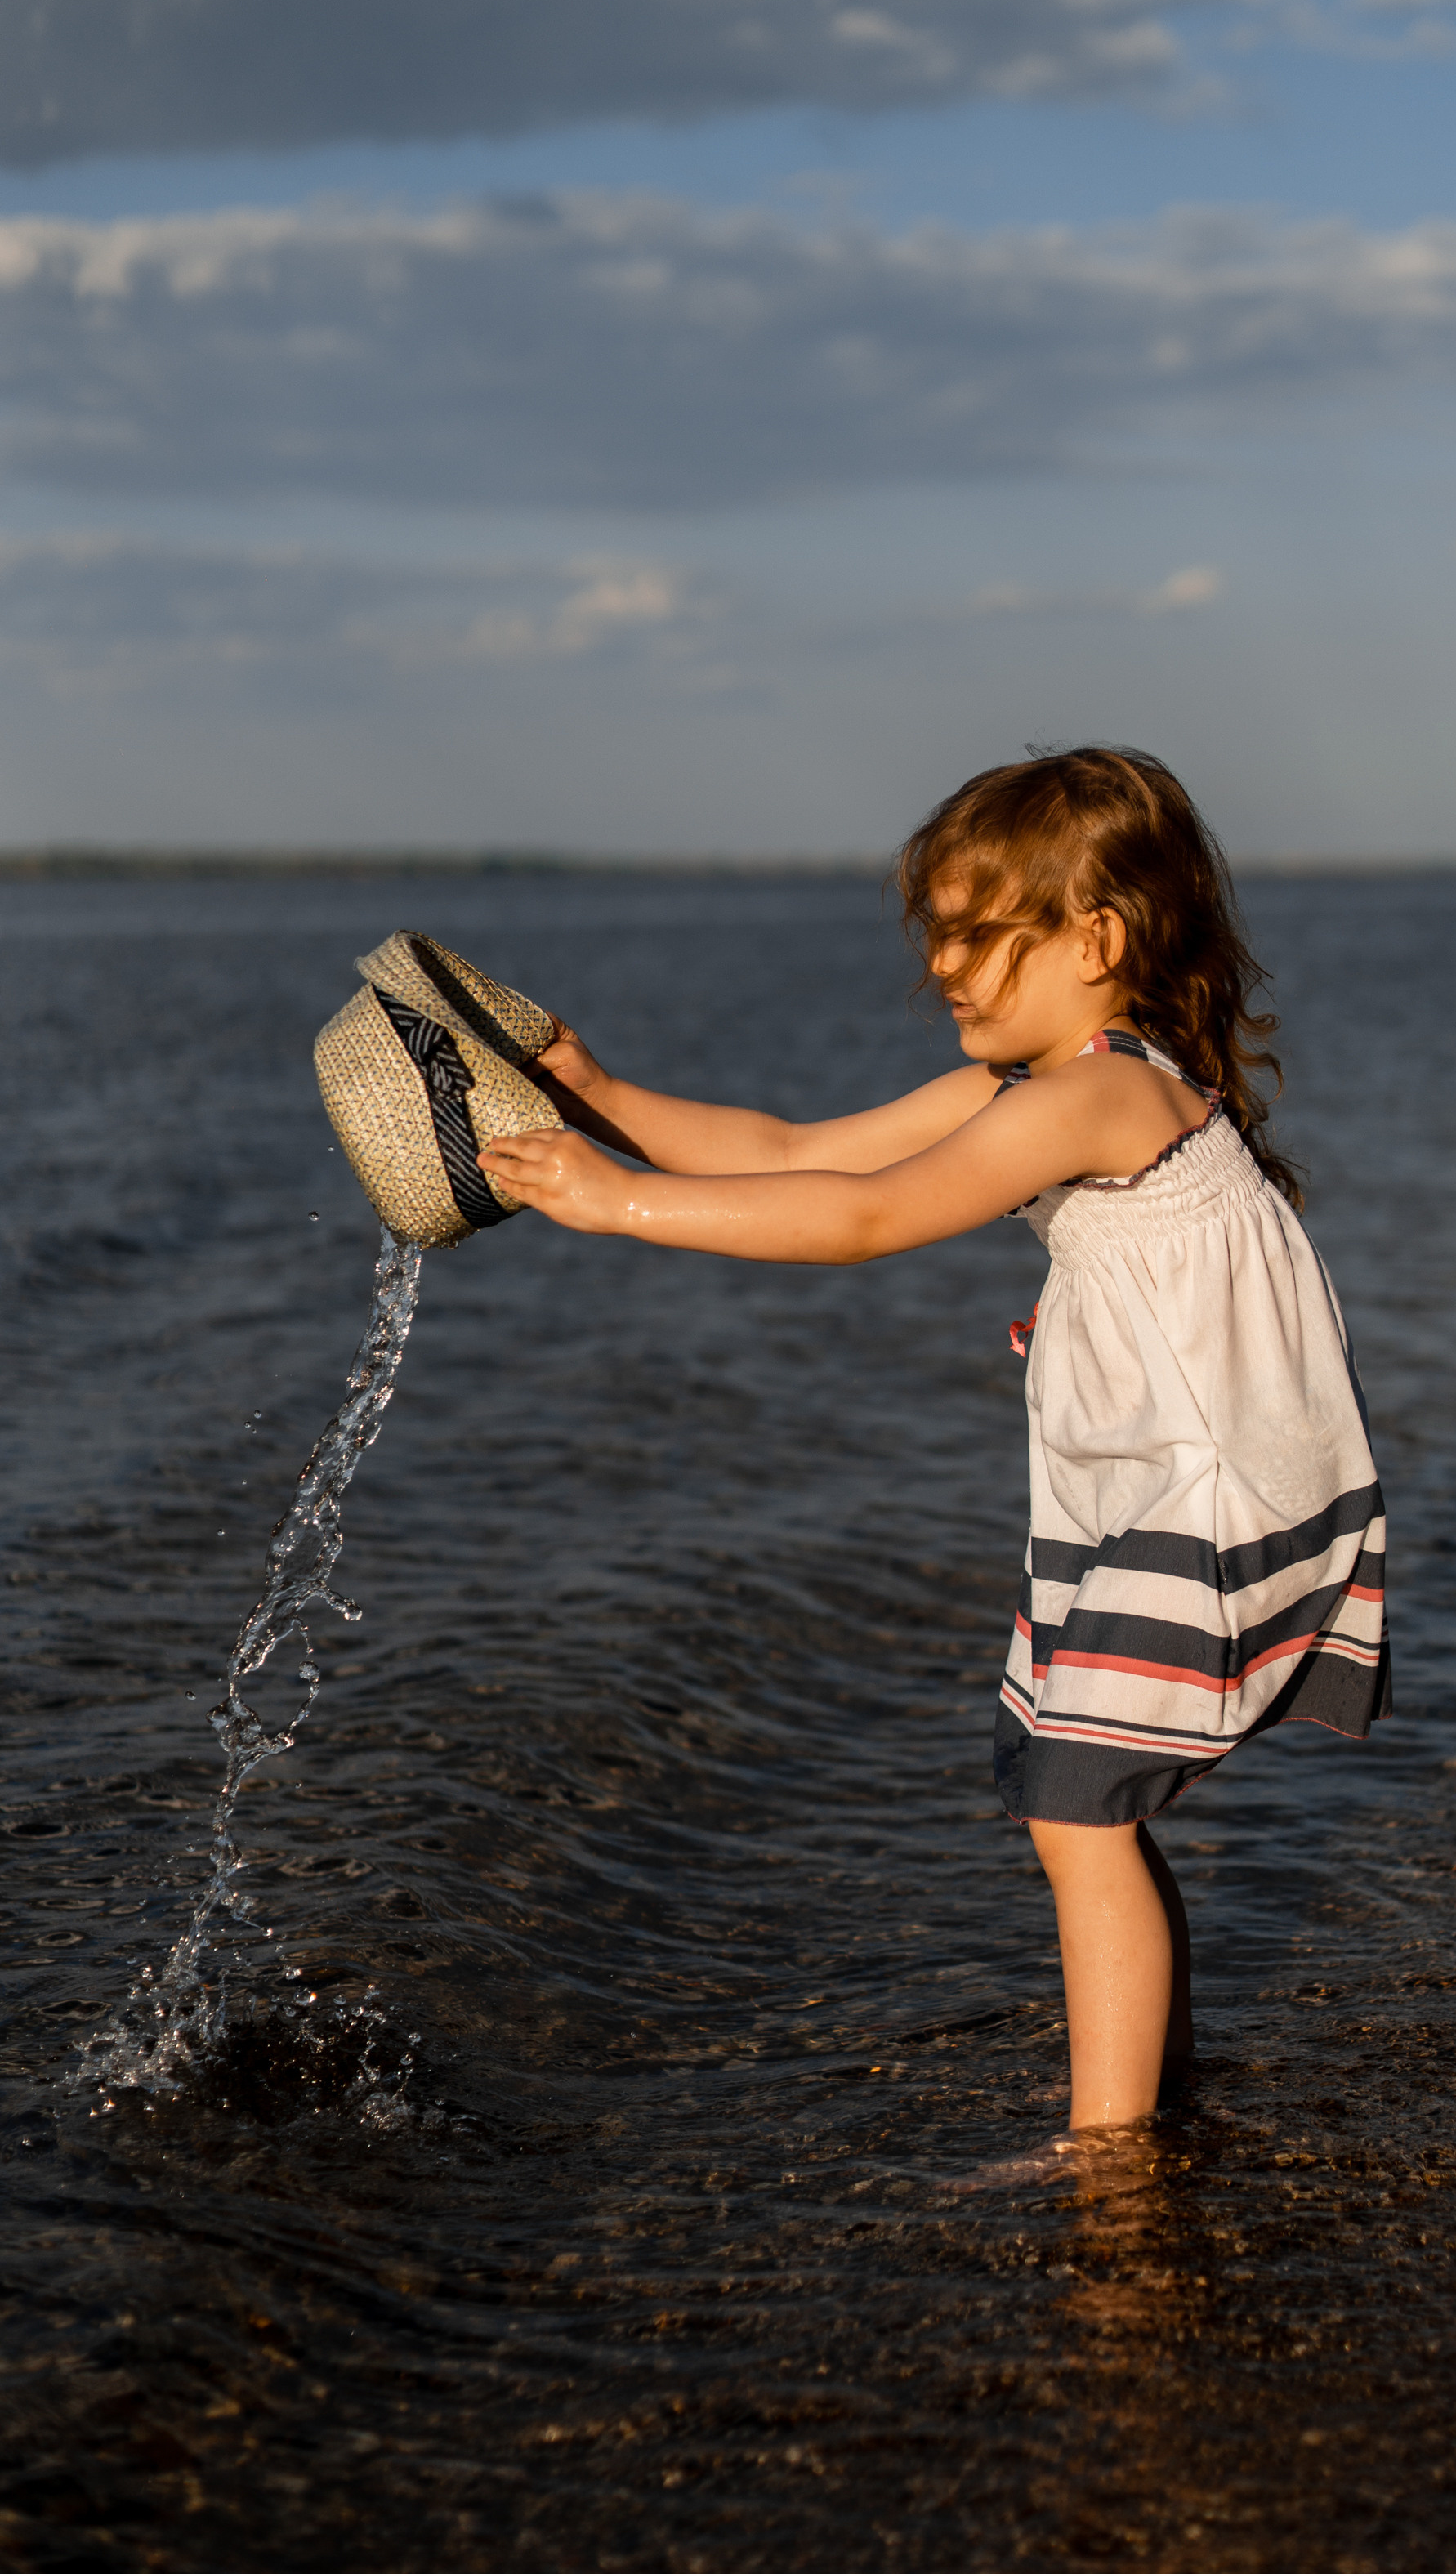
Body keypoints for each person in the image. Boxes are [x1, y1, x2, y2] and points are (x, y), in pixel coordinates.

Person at [480, 747, 1388, 2136]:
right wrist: (597, 1095)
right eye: (938, 934)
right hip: (1151, 1488)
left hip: (1208, 1504)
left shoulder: (1104, 1096)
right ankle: (1157, 2101)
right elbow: (793, 1153)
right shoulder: (1049, 1083)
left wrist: (618, 1206)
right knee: (1087, 1807)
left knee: (1078, 1812)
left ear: (1098, 940)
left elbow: (863, 1219)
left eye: (976, 934)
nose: (943, 967)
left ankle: (1110, 2155)